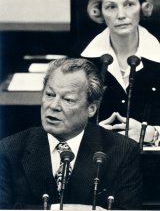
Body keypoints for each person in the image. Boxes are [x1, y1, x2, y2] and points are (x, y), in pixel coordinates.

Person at [0, 57, 142, 210]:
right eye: (49, 94)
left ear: (91, 108)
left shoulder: (123, 151)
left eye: (68, 99)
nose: (53, 106)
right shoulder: (9, 149)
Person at [81, 0, 160, 145]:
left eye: (129, 4)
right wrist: (91, 134)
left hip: (151, 163)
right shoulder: (81, 61)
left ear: (142, 6)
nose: (121, 15)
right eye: (111, 7)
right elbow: (66, 124)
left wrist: (148, 134)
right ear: (99, 11)